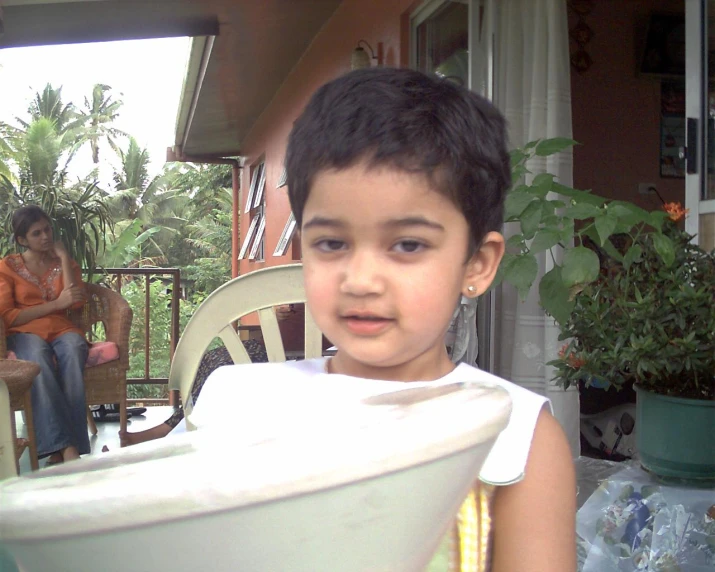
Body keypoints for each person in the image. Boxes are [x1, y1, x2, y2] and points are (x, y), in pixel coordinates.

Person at [188, 68, 577, 570]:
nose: (362, 280)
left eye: (408, 245)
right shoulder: (239, 402)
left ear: (476, 264)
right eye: (331, 243)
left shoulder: (514, 433)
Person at [0, 205, 89, 464]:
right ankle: (68, 447)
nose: (45, 236)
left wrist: (63, 259)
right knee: (38, 359)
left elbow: (76, 302)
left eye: (47, 229)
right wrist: (55, 304)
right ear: (21, 240)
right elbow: (7, 316)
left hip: (62, 329)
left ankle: (62, 448)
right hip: (24, 332)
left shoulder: (65, 264)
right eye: (36, 233)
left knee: (74, 350)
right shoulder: (7, 268)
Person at [118, 340, 268, 447]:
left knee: (218, 365)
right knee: (211, 362)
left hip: (265, 353)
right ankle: (167, 428)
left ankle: (165, 429)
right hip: (259, 348)